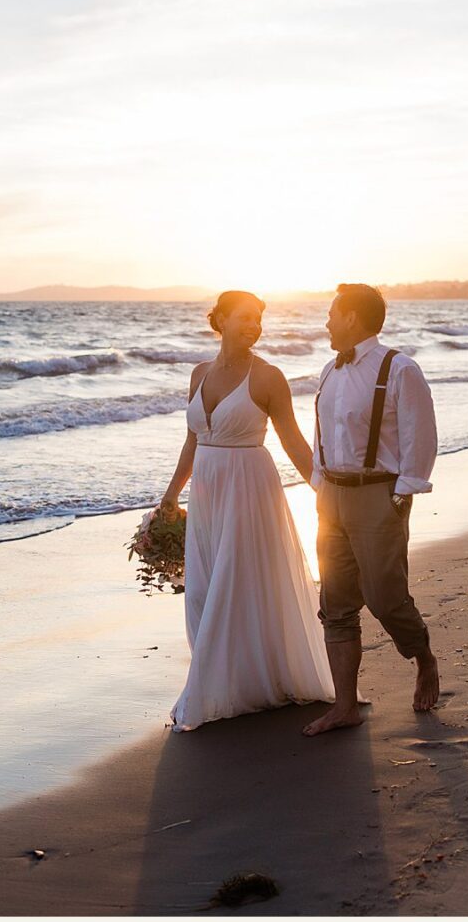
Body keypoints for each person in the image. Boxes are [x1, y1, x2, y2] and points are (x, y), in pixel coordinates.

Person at [159, 290, 335, 730]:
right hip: (207, 491)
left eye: (258, 319)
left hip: (249, 487)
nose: (254, 326)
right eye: (244, 317)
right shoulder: (199, 373)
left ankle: (233, 688)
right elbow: (192, 439)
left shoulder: (269, 377)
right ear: (219, 319)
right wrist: (170, 495)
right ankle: (223, 682)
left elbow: (292, 439)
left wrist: (323, 488)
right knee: (201, 588)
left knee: (236, 587)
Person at [302, 283, 440, 737]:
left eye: (331, 313)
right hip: (332, 498)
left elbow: (420, 436)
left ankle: (423, 657)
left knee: (384, 596)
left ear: (353, 318)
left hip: (378, 494)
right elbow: (323, 433)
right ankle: (345, 707)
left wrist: (402, 494)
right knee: (335, 604)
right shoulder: (330, 369)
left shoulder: (399, 368)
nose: (326, 320)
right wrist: (320, 484)